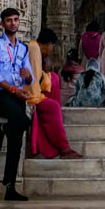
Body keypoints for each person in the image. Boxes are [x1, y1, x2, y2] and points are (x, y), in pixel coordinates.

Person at [0, 7, 33, 201]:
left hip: (18, 94)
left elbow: (28, 74)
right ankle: (2, 128)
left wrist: (28, 77)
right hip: (2, 94)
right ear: (2, 24)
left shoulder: (23, 48)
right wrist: (13, 89)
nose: (13, 23)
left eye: (15, 20)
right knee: (24, 122)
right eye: (9, 20)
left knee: (16, 142)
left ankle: (10, 187)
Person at [28, 28, 83, 160]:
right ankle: (64, 148)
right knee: (53, 107)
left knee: (54, 77)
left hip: (35, 91)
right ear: (48, 44)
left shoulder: (36, 49)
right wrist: (34, 100)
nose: (52, 49)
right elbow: (34, 78)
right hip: (31, 95)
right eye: (52, 45)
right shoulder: (34, 49)